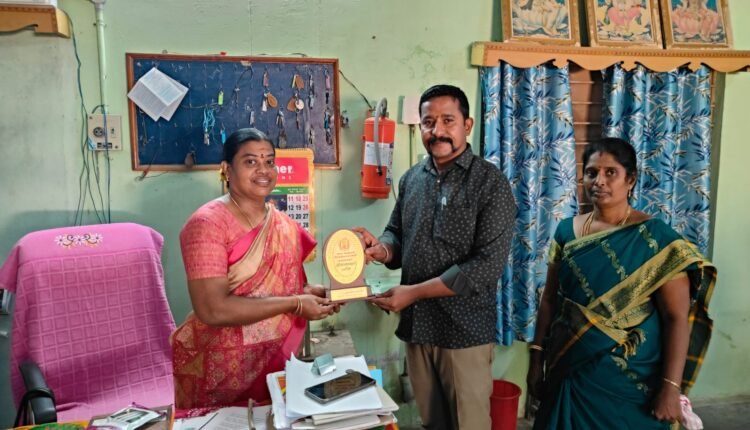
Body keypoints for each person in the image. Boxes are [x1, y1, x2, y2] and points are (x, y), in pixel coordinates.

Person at [353, 84, 516, 429]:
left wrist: (412, 293)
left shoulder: (490, 184)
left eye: (447, 120)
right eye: (428, 122)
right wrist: (380, 249)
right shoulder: (412, 179)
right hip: (418, 328)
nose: (437, 130)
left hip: (464, 332)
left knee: (468, 424)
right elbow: (396, 233)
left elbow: (485, 268)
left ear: (467, 125)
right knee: (432, 423)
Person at [527, 137, 717, 429]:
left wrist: (670, 387)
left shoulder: (656, 239)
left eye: (610, 172)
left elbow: (675, 317)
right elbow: (550, 300)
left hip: (628, 380)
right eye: (591, 173)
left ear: (631, 180)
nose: (599, 181)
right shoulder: (566, 231)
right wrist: (536, 358)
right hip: (570, 368)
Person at [171, 128, 338, 410]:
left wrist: (317, 294)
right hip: (220, 370)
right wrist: (297, 303)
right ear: (227, 170)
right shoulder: (207, 225)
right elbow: (212, 309)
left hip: (278, 364)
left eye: (269, 161)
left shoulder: (284, 225)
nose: (263, 170)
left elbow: (287, 287)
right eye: (250, 161)